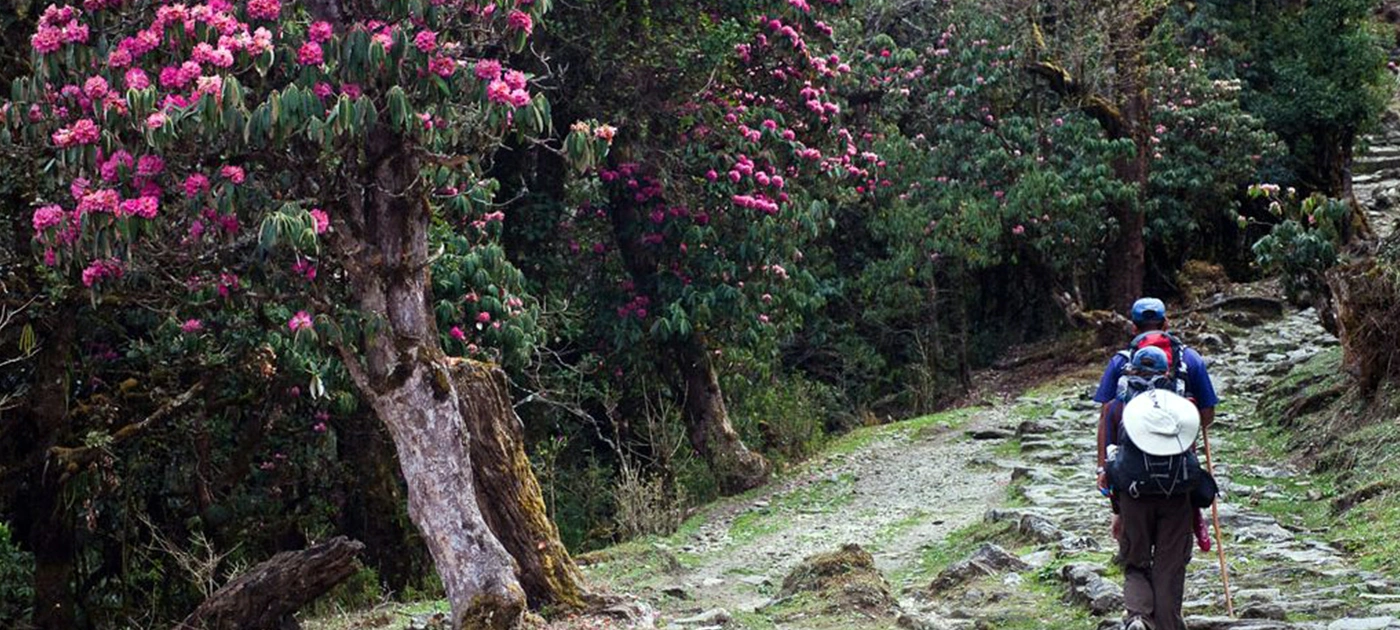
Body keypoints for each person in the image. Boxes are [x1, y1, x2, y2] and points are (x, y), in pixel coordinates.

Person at [1105, 385, 1204, 630]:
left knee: (1136, 562)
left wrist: (1117, 511)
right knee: (1169, 568)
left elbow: (1115, 468)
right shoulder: (1180, 408)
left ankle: (1139, 618)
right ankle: (1168, 624)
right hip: (1176, 498)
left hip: (1134, 499)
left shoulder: (1119, 406)